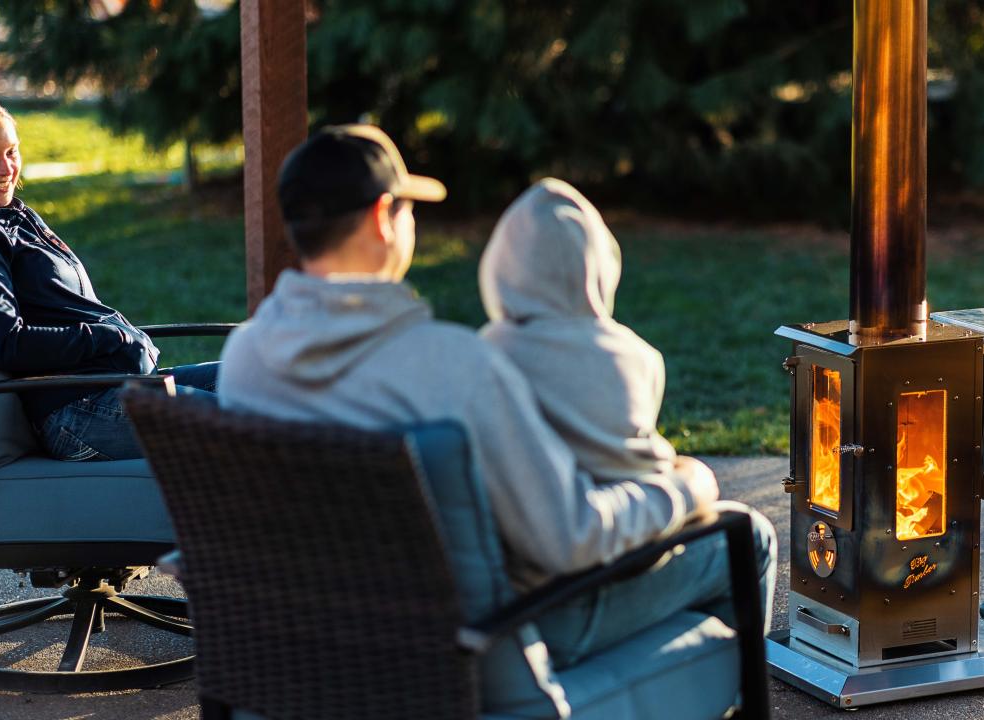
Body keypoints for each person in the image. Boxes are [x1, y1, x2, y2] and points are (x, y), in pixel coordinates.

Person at [217, 124, 775, 667]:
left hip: (310, 657)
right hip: (476, 649)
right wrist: (683, 487)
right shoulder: (455, 368)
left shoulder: (244, 362)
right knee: (746, 537)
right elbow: (571, 540)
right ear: (383, 217)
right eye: (409, 209)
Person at [0, 92, 218, 461]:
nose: (6, 169)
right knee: (251, 420)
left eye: (12, 152)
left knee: (263, 384)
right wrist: (110, 337)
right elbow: (9, 344)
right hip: (76, 410)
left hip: (111, 384)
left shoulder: (7, 214)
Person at [479, 177, 677, 485]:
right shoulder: (642, 358)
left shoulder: (488, 353)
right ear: (601, 264)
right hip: (645, 512)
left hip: (545, 506)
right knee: (754, 529)